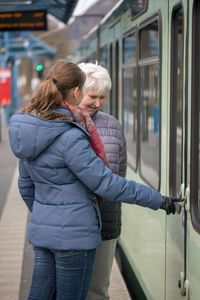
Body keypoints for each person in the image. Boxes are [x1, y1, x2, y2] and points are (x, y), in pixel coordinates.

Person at [9, 60, 178, 300]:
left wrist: (46, 215)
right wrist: (160, 200)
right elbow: (107, 184)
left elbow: (25, 185)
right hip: (75, 239)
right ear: (76, 92)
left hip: (43, 234)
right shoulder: (70, 136)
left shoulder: (30, 129)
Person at [78, 62, 127, 300]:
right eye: (92, 96)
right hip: (71, 227)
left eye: (103, 97)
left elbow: (121, 174)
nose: (97, 103)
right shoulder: (58, 122)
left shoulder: (113, 125)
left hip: (106, 223)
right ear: (76, 91)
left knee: (98, 291)